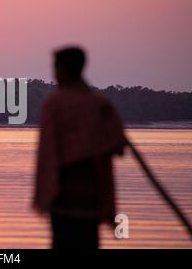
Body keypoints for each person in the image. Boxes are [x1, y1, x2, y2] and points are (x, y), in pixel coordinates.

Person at [33, 46, 127, 249]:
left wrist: (43, 195)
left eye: (56, 67)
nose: (54, 73)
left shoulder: (55, 104)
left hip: (63, 197)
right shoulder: (99, 104)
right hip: (91, 199)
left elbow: (47, 153)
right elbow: (118, 145)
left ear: (65, 70)